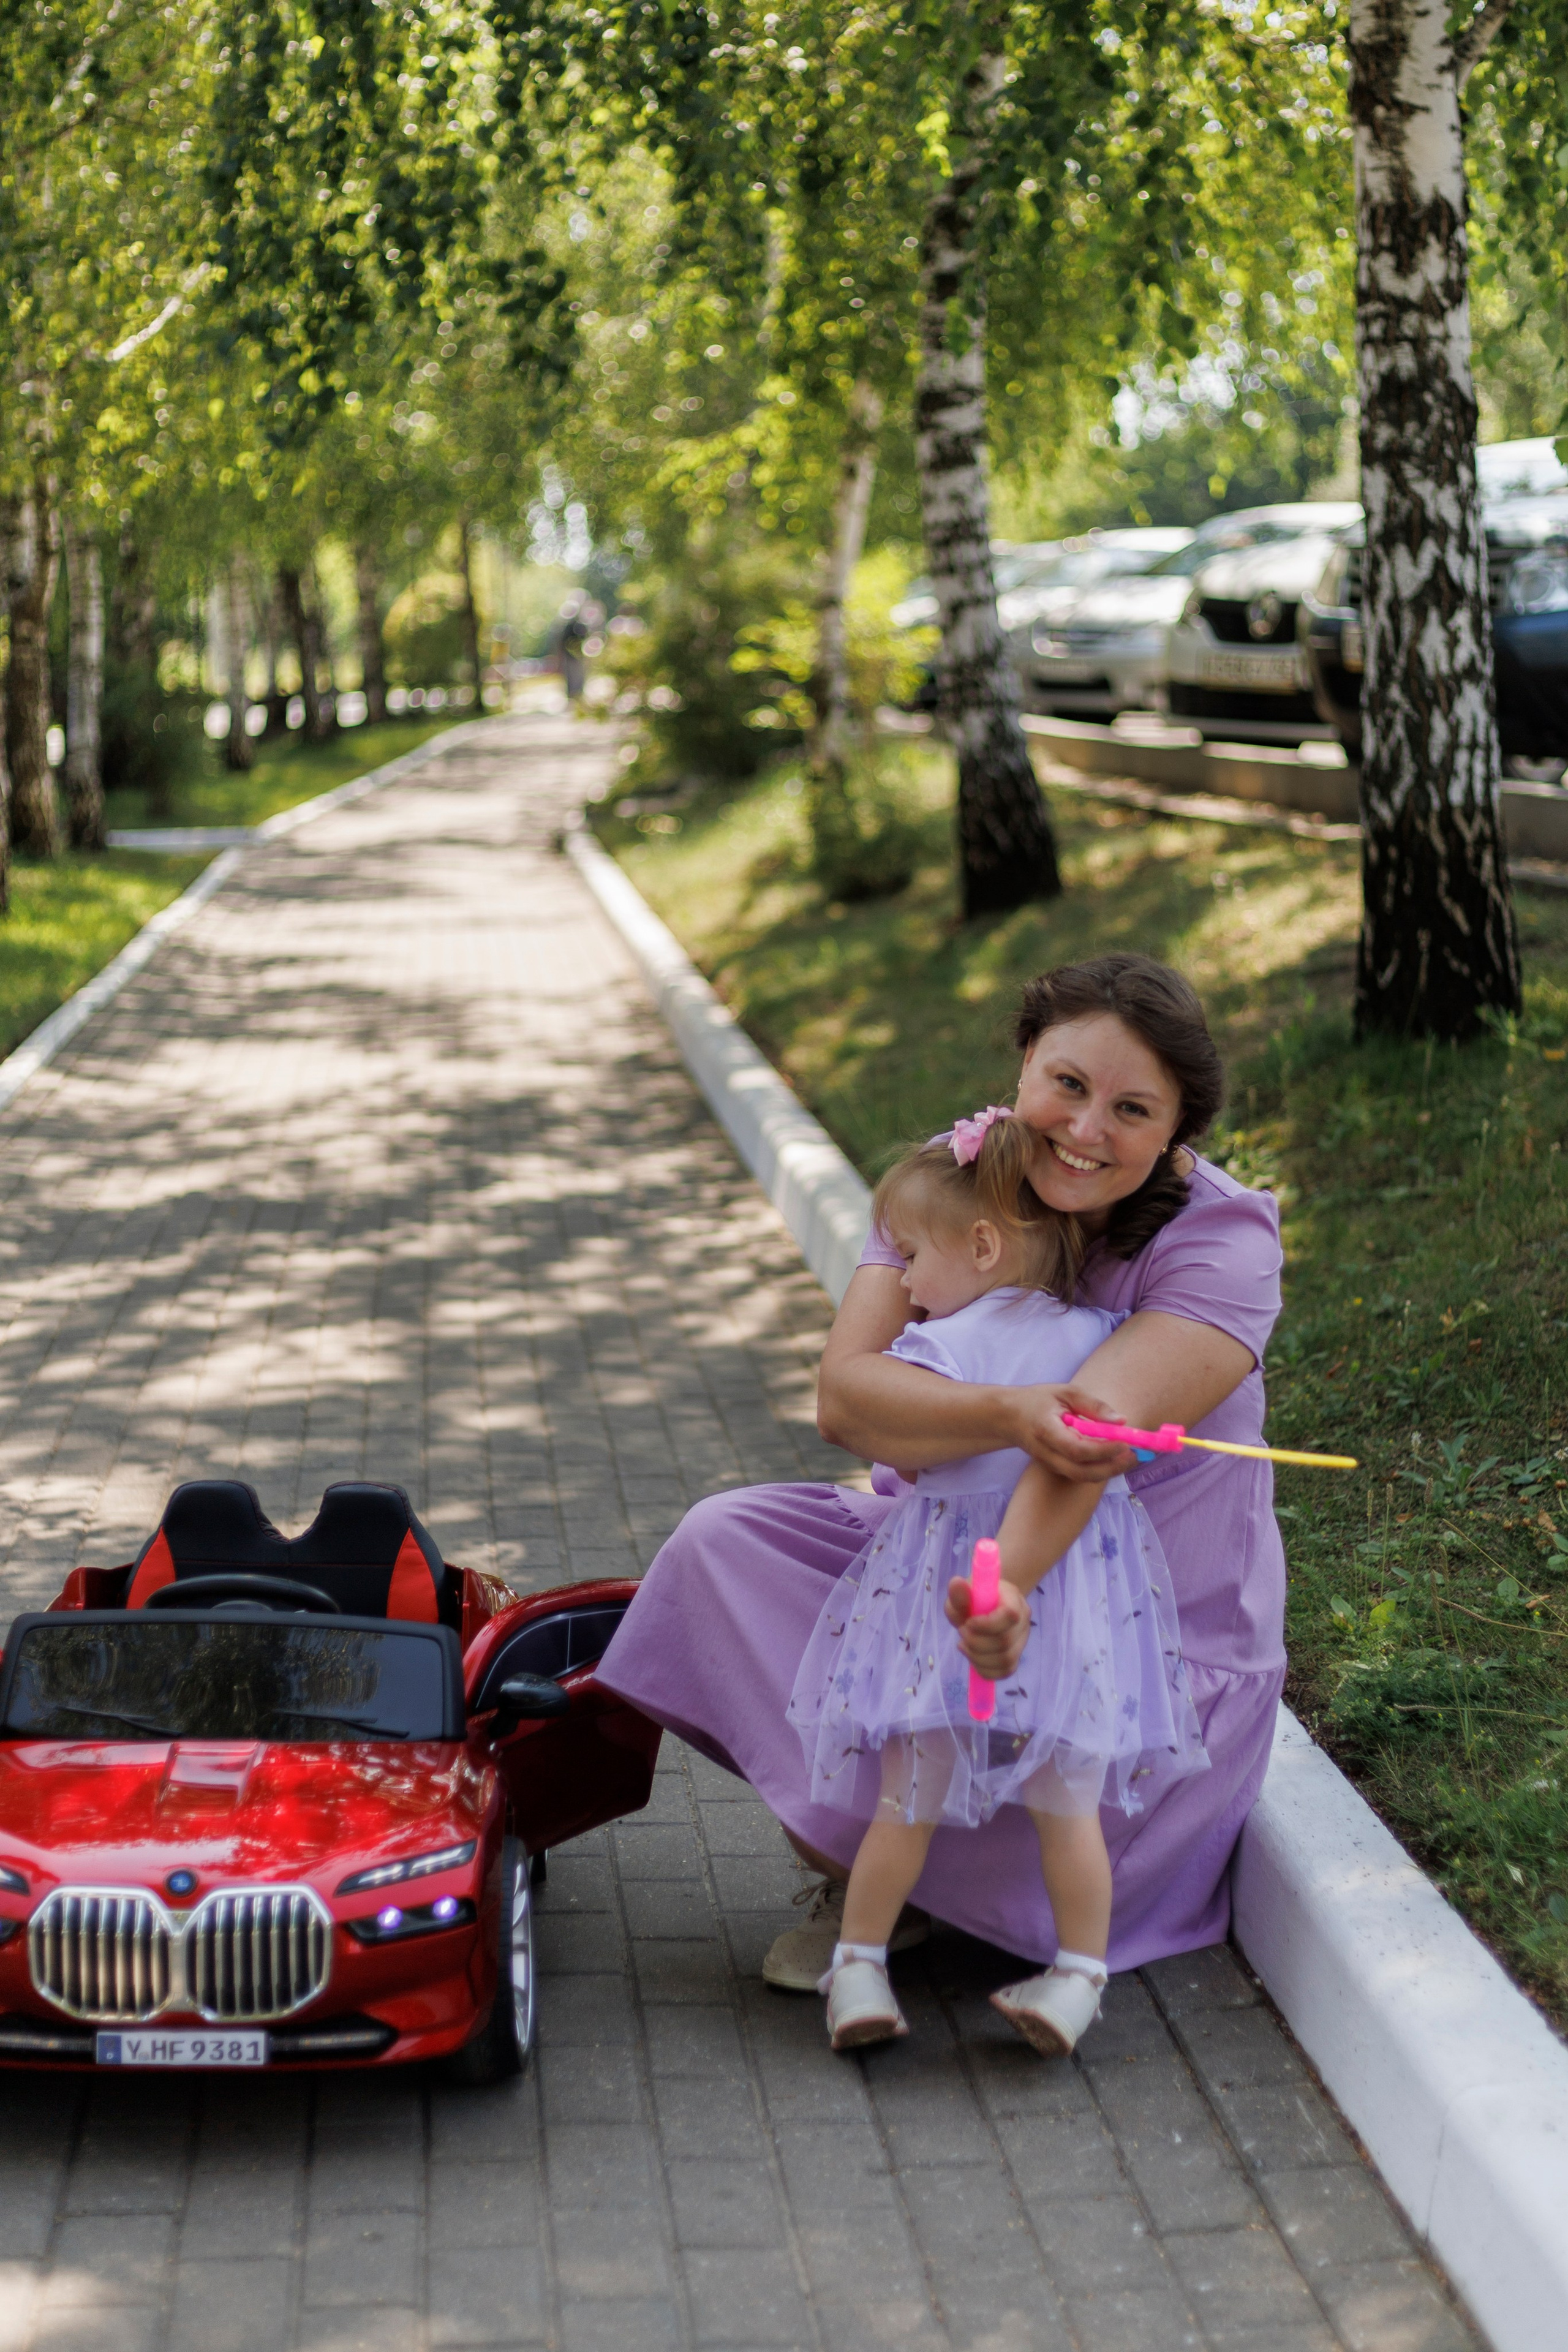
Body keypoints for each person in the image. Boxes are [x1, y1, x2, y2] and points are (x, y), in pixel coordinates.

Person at [595, 952, 1284, 1991]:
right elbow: (850, 1397)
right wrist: (1005, 1411)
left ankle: (928, 1887)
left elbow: (1083, 1451)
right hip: (955, 1553)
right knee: (722, 1540)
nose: (1087, 1131)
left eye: (1133, 1110)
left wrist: (999, 1588)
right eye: (1068, 1085)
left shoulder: (1221, 1242)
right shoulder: (953, 1178)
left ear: (1178, 1131)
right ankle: (887, 1872)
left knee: (1001, 1726)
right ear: (1023, 1061)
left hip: (1136, 1622)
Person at [791, 1109, 1208, 2054]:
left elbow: (899, 1448)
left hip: (946, 1585)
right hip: (1074, 1589)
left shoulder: (934, 1353)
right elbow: (1124, 1426)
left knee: (910, 1788)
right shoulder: (1101, 1336)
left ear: (982, 1244)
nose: (899, 1277)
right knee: (1071, 1800)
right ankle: (1077, 1979)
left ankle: (858, 1965)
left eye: (909, 1255)